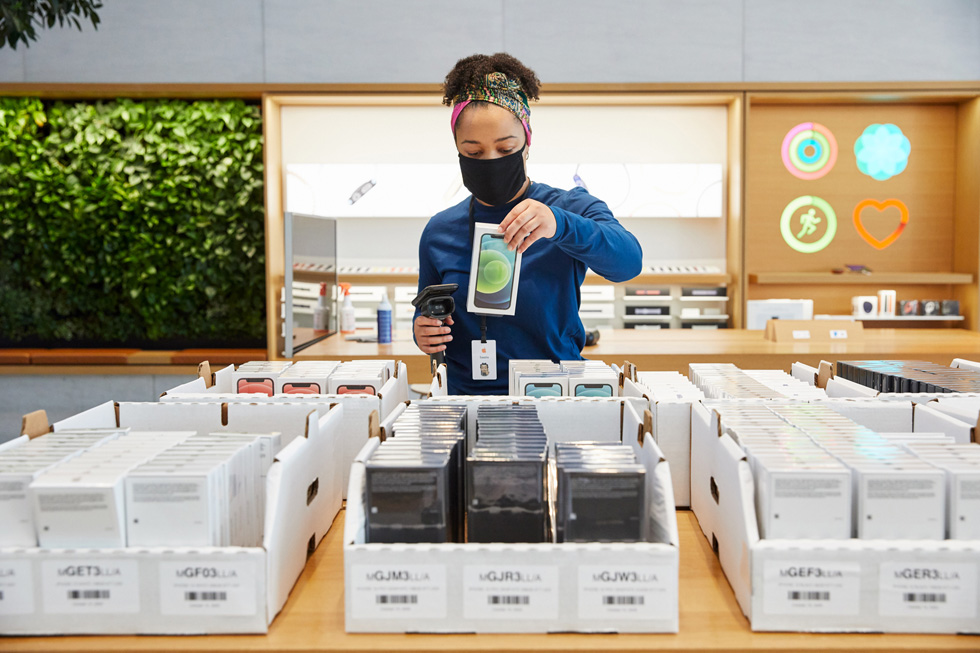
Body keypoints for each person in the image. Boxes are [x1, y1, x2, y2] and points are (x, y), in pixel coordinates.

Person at [413, 53, 642, 395]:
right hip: (469, 401)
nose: (490, 161)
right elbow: (429, 312)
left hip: (557, 398)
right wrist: (423, 332)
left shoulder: (570, 208)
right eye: (473, 153)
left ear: (527, 142)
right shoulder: (440, 231)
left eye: (505, 148)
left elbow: (628, 262)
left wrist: (559, 224)